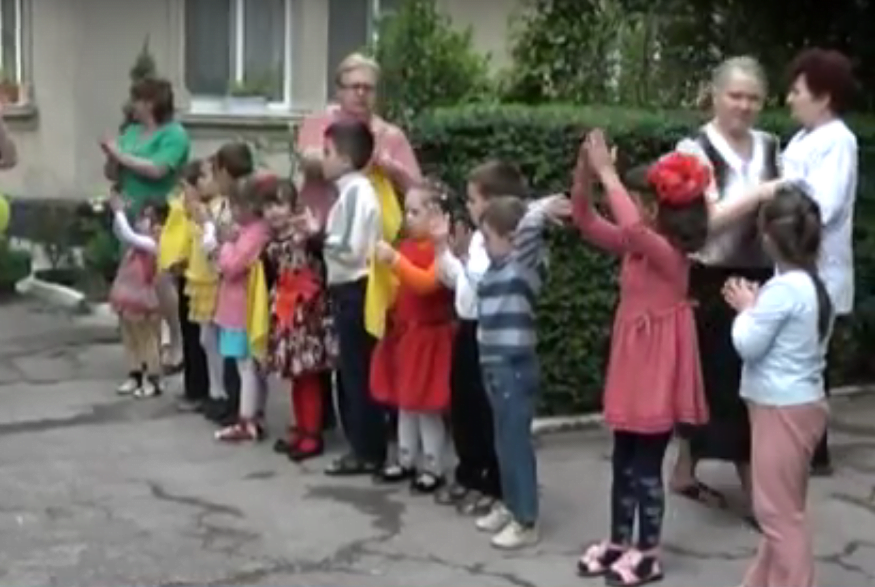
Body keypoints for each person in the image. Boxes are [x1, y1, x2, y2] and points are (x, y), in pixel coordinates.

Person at [572, 131, 710, 585]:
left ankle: (648, 552)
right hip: (634, 367)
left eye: (634, 200)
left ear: (653, 209)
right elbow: (586, 220)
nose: (626, 206)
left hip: (657, 371)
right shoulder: (639, 248)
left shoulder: (668, 253)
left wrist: (608, 172)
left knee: (647, 467)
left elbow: (630, 229)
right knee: (623, 461)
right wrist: (585, 172)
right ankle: (619, 542)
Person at [670, 57, 784, 513]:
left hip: (763, 275)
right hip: (713, 279)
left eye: (754, 98)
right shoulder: (692, 149)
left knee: (744, 383)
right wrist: (760, 194)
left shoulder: (771, 145)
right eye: (735, 95)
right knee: (726, 383)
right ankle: (758, 497)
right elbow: (699, 226)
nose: (744, 105)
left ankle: (683, 472)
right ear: (715, 95)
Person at [296, 52, 422, 433]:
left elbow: (417, 186)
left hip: (365, 251)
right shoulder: (319, 124)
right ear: (339, 89)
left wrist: (390, 166)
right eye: (355, 87)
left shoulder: (391, 135)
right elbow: (309, 160)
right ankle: (321, 416)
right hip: (316, 236)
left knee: (362, 337)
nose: (362, 94)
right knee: (314, 327)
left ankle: (370, 418)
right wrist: (352, 157)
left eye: (369, 88)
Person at [723, 187, 831, 587]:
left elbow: (747, 344)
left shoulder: (783, 290)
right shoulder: (810, 283)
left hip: (780, 409)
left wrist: (746, 309)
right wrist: (757, 307)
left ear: (768, 239)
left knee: (778, 516)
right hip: (800, 404)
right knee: (783, 509)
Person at [463, 193, 570, 550]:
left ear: (512, 239)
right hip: (493, 367)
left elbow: (528, 228)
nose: (484, 244)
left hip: (514, 368)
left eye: (488, 237)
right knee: (503, 442)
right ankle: (511, 506)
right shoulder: (495, 270)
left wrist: (540, 208)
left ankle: (526, 519)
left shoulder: (523, 265)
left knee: (515, 444)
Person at [434, 161, 529, 515]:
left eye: (473, 200)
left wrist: (462, 258)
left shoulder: (503, 244)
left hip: (487, 331)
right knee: (464, 406)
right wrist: (444, 250)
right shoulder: (476, 240)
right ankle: (470, 471)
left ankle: (492, 482)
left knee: (485, 411)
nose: (469, 206)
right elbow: (456, 281)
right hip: (466, 326)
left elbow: (484, 283)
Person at [781, 48, 859, 477]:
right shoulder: (803, 139)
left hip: (819, 271)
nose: (790, 99)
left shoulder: (839, 141)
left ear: (823, 97)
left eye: (798, 91)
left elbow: (823, 207)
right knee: (800, 358)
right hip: (794, 267)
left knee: (810, 360)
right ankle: (804, 443)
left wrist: (776, 208)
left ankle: (814, 448)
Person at [370, 181, 456, 492]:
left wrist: (394, 261)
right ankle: (406, 458)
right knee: (405, 402)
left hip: (430, 337)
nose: (408, 218)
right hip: (405, 335)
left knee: (426, 405)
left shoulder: (439, 252)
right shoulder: (406, 247)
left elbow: (424, 284)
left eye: (415, 212)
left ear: (436, 216)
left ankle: (433, 464)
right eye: (407, 211)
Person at [102, 77, 190, 373]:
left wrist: (120, 155)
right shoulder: (131, 132)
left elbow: (158, 169)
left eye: (137, 99)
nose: (132, 105)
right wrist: (112, 159)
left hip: (160, 214)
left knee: (161, 278)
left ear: (151, 103)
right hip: (128, 212)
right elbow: (113, 172)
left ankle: (176, 343)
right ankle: (143, 352)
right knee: (132, 280)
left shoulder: (174, 134)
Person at [320, 118, 385, 476]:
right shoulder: (349, 193)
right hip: (347, 289)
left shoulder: (358, 193)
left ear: (345, 159)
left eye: (327, 152)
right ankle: (360, 445)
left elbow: (352, 247)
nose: (322, 158)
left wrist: (318, 239)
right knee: (350, 372)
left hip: (356, 288)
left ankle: (367, 449)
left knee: (357, 373)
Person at [262, 180, 337, 462]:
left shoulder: (304, 237)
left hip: (307, 316)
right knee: (296, 377)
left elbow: (321, 254)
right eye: (268, 206)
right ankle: (302, 427)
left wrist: (311, 235)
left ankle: (313, 433)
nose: (274, 212)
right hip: (285, 316)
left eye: (279, 205)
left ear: (293, 207)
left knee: (308, 377)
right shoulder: (271, 244)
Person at [201, 143, 257, 427]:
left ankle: (243, 413)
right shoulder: (231, 210)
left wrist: (219, 241)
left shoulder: (249, 223)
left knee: (243, 363)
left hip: (240, 301)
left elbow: (231, 263)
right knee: (231, 355)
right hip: (229, 299)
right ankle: (233, 405)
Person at [212, 176, 271, 442]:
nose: (232, 211)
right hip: (244, 307)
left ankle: (247, 419)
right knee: (252, 366)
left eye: (235, 205)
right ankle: (255, 415)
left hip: (241, 309)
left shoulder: (254, 234)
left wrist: (226, 244)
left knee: (246, 366)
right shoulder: (254, 231)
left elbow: (231, 266)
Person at [180, 158, 233, 417]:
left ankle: (221, 393)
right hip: (199, 278)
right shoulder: (201, 208)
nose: (200, 183)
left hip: (214, 279)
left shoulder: (222, 206)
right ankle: (215, 390)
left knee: (216, 339)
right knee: (206, 339)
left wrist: (206, 221)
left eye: (205, 176)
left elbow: (217, 238)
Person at [107, 192, 169, 399]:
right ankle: (135, 374)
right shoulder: (137, 246)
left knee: (147, 337)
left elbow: (128, 235)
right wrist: (121, 213)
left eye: (151, 218)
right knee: (129, 335)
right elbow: (121, 232)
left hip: (145, 297)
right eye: (144, 216)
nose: (145, 222)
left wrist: (119, 211)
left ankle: (153, 377)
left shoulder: (155, 242)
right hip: (127, 294)